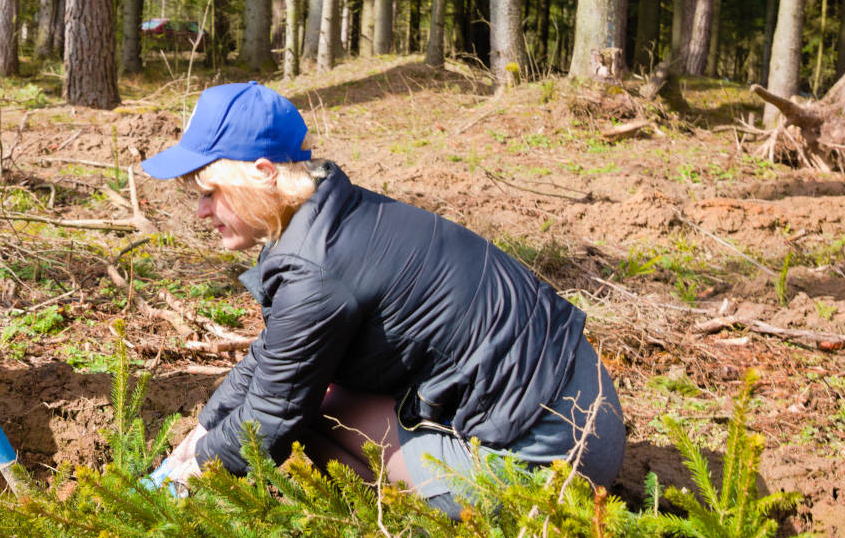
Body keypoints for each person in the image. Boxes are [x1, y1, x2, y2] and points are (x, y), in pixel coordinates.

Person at [141, 83, 624, 513]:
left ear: (263, 172)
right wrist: (201, 435)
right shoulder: (338, 211)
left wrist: (183, 480)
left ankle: (398, 526)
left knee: (306, 418)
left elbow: (271, 416)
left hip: (549, 460)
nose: (201, 211)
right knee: (309, 392)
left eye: (209, 192)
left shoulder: (316, 270)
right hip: (589, 405)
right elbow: (273, 357)